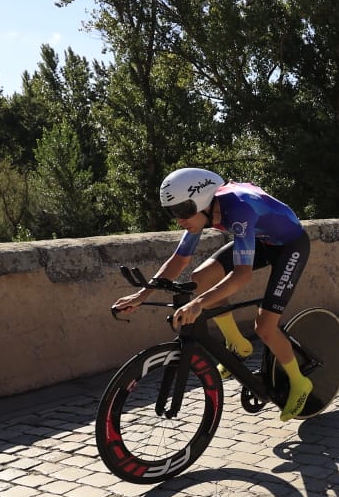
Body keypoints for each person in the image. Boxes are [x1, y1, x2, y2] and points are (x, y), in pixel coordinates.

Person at [113, 168, 315, 421]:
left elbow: (242, 276)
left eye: (183, 210)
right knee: (200, 279)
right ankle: (238, 345)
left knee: (265, 327)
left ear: (204, 201)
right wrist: (141, 295)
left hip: (290, 246)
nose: (179, 219)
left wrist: (198, 304)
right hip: (261, 240)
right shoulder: (202, 212)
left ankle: (299, 382)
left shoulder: (239, 209)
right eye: (172, 211)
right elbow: (179, 260)